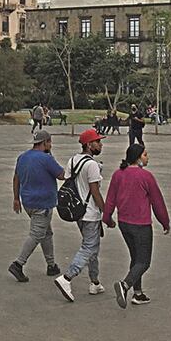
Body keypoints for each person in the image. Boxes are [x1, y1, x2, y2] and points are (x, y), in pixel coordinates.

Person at [103, 143, 171, 308]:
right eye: (146, 154)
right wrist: (165, 221)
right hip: (141, 224)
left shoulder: (118, 175)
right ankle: (125, 285)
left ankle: (138, 293)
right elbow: (157, 202)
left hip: (124, 223)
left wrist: (107, 217)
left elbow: (111, 197)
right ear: (138, 157)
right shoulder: (146, 177)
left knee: (136, 258)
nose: (148, 157)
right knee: (144, 261)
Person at [53, 129, 107, 302]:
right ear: (89, 145)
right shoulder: (92, 165)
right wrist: (106, 211)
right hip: (91, 212)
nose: (101, 144)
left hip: (78, 211)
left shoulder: (73, 160)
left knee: (92, 247)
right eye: (98, 142)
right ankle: (67, 277)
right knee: (89, 247)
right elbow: (95, 191)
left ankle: (95, 282)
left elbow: (69, 180)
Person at [9, 130, 65, 283]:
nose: (51, 145)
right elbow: (61, 175)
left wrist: (16, 198)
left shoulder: (22, 157)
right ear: (45, 142)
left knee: (46, 233)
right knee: (36, 234)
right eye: (50, 142)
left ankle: (51, 264)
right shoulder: (46, 159)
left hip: (27, 201)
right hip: (43, 203)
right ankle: (18, 264)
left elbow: (16, 178)